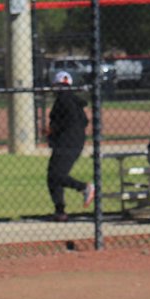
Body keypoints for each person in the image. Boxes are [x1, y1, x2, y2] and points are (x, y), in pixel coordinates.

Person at [45, 69, 95, 221]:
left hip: (67, 142)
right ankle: (60, 211)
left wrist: (53, 129)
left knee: (56, 175)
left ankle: (84, 187)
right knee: (53, 176)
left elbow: (66, 122)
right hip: (74, 142)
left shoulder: (63, 100)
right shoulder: (73, 100)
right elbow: (84, 121)